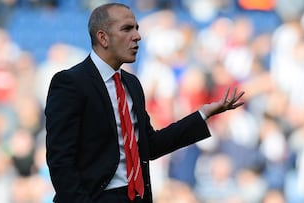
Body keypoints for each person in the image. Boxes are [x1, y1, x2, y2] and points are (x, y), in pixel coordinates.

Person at [45, 3, 244, 203]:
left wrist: (203, 115)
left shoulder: (131, 84)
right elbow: (60, 161)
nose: (137, 36)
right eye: (127, 29)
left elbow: (150, 145)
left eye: (137, 28)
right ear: (103, 37)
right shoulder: (71, 83)